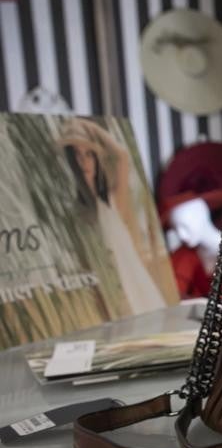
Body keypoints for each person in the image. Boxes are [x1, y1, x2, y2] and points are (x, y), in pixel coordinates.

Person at [60, 118, 167, 315]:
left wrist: (91, 129)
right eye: (76, 154)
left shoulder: (112, 200)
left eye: (89, 154)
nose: (83, 161)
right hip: (111, 291)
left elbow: (122, 155)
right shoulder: (77, 213)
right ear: (70, 160)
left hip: (136, 281)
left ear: (96, 159)